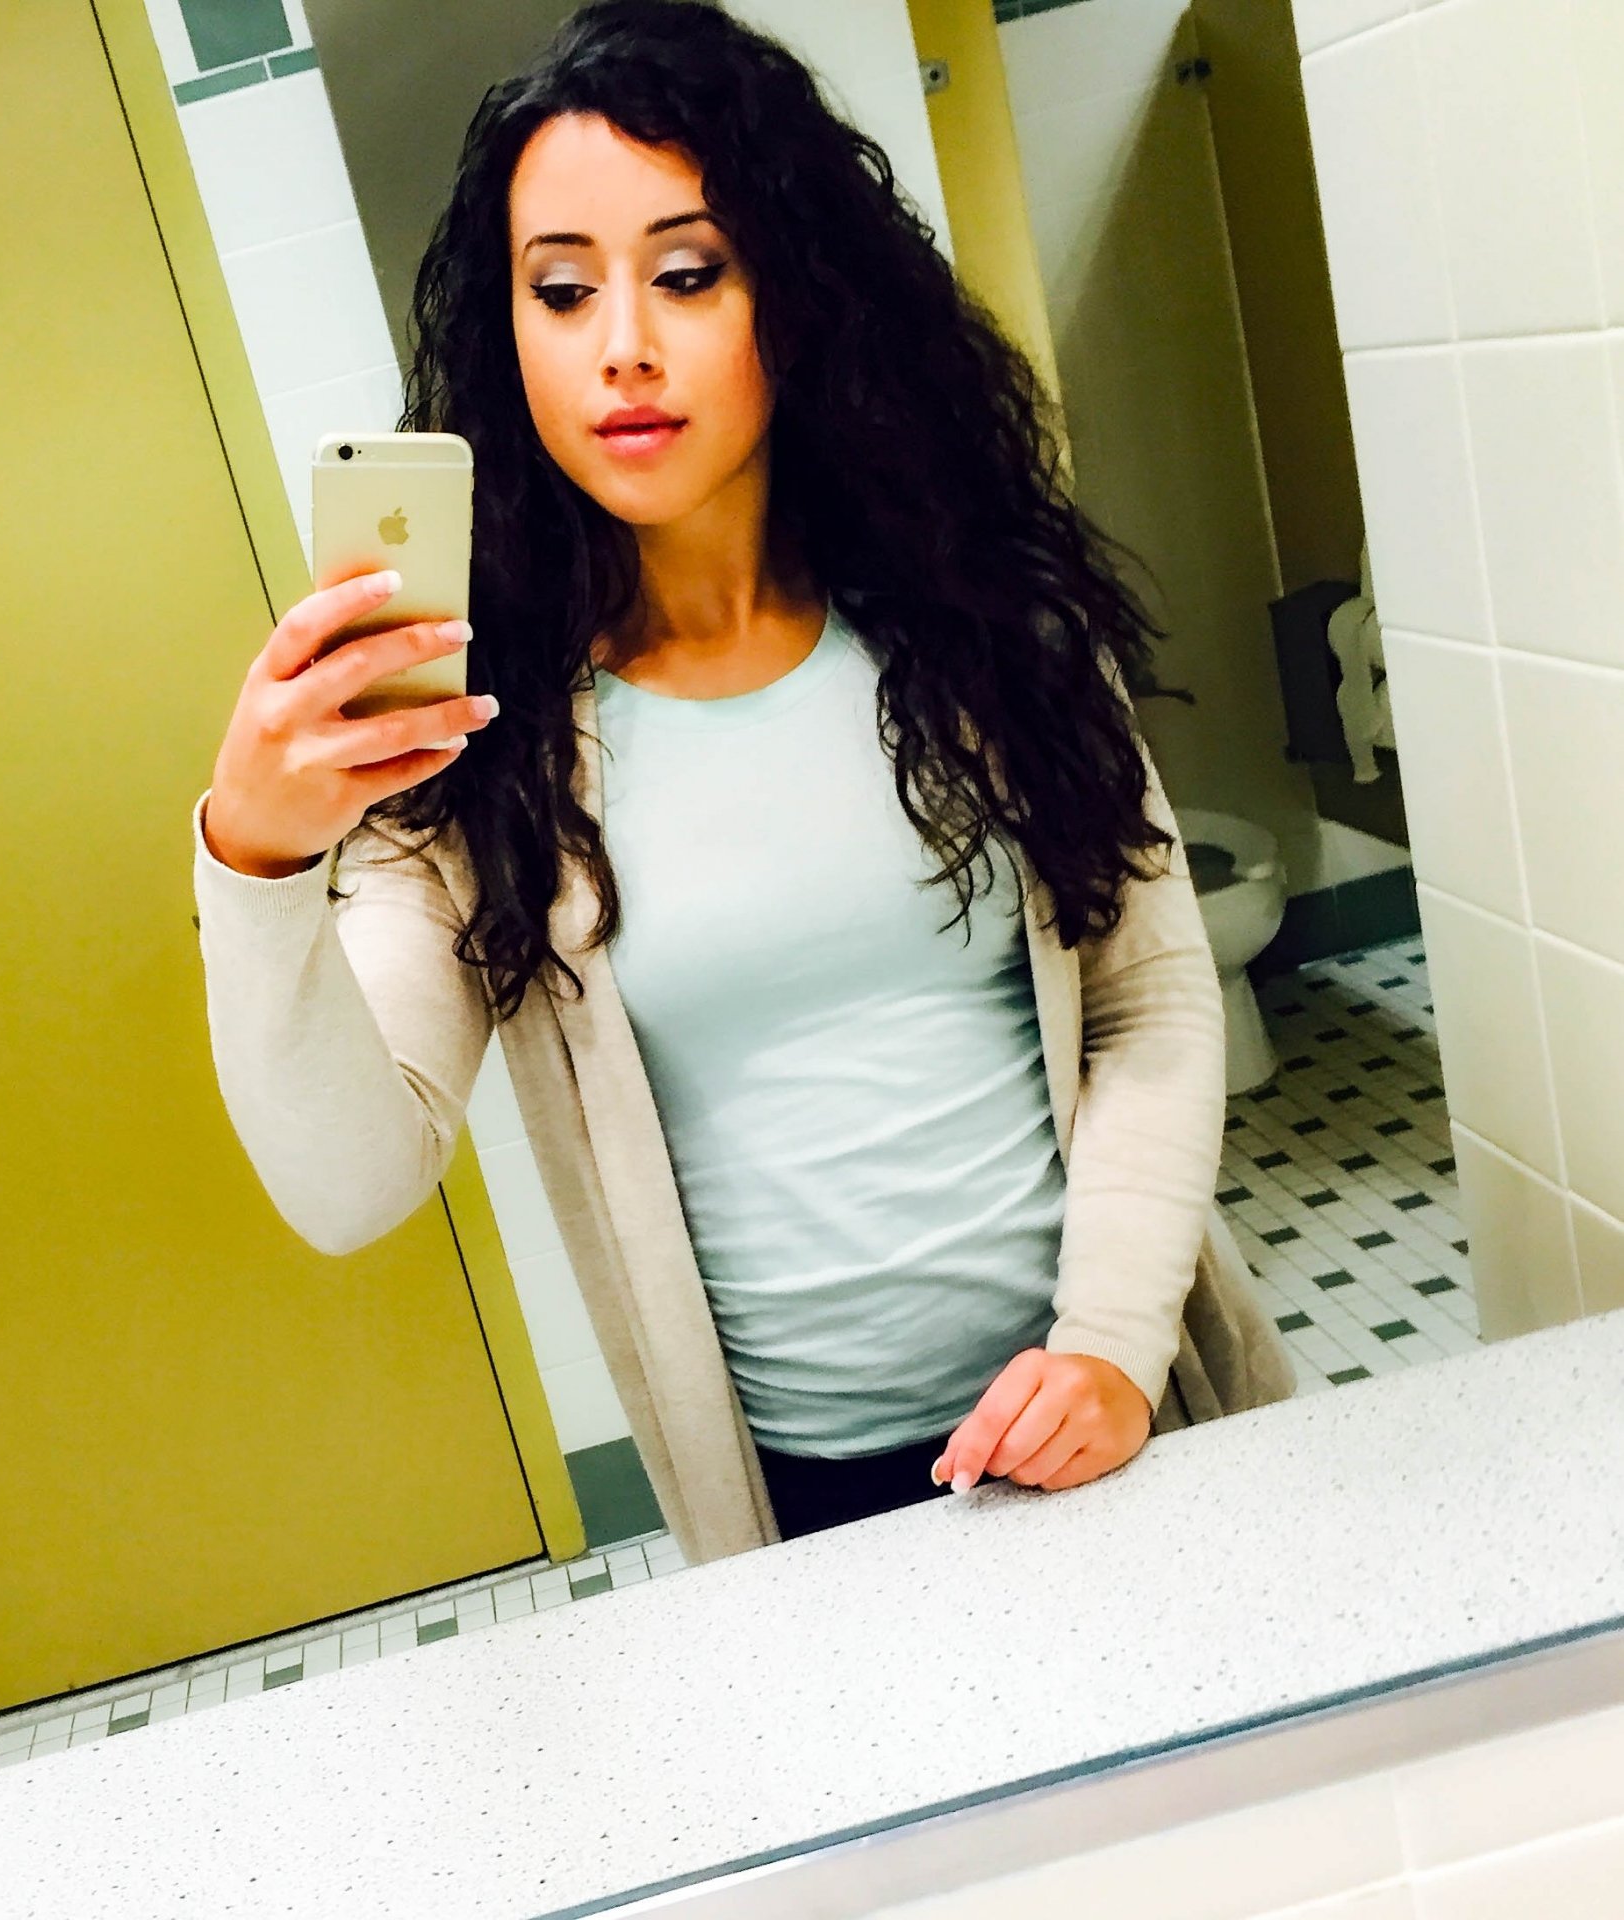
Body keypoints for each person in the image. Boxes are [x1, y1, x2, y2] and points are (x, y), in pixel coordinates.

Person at [192, 0, 1294, 1555]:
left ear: (797, 292)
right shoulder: (480, 746)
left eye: (688, 272)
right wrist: (255, 860)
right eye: (560, 289)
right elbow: (346, 1188)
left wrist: (1109, 1348)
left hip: (1126, 1409)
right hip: (802, 1505)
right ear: (510, 338)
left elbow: (1150, 1003)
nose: (621, 346)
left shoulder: (984, 622)